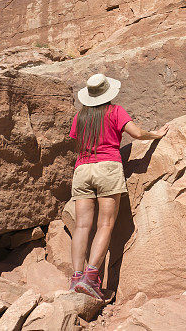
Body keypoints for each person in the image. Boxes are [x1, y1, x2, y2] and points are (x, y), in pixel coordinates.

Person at [68, 72, 168, 300]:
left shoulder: (80, 116)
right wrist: (156, 134)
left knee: (82, 227)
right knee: (105, 224)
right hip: (107, 168)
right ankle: (91, 279)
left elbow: (77, 141)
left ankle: (76, 279)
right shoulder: (115, 111)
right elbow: (136, 133)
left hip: (82, 169)